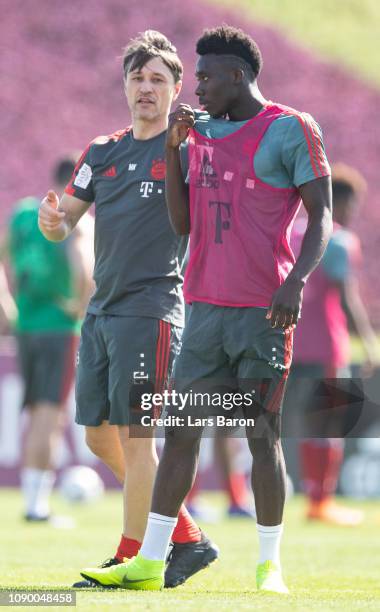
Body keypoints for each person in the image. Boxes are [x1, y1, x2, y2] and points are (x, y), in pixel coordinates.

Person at [81, 25, 333, 594]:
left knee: (261, 435)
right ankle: (151, 559)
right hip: (203, 311)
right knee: (182, 433)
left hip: (264, 311)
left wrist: (294, 283)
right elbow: (182, 223)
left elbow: (321, 216)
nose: (196, 88)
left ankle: (270, 565)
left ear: (238, 76)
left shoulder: (292, 129)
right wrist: (172, 150)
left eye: (205, 77)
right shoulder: (198, 134)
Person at [38, 31, 218, 589]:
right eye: (137, 78)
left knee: (140, 438)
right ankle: (184, 535)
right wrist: (53, 222)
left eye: (157, 80)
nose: (145, 88)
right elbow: (65, 217)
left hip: (152, 309)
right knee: (97, 437)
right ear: (124, 85)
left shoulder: (187, 151)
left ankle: (134, 555)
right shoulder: (101, 150)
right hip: (100, 313)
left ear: (176, 90)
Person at [0, 156, 94, 522]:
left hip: (26, 325)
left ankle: (33, 499)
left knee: (37, 409)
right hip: (58, 326)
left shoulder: (24, 214)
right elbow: (82, 265)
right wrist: (80, 306)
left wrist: (6, 303)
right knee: (49, 415)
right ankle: (36, 506)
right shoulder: (74, 217)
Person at [289, 163, 378, 525]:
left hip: (288, 341)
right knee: (328, 423)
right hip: (326, 344)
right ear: (340, 201)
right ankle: (320, 501)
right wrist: (369, 342)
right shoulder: (338, 239)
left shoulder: (292, 233)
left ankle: (276, 496)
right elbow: (346, 297)